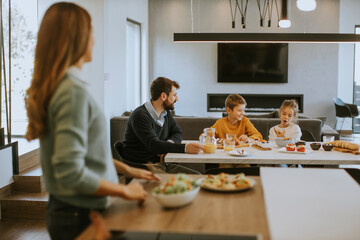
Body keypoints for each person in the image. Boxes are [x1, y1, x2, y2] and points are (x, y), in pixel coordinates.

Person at [24, 3, 158, 239]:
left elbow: (85, 158)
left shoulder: (61, 87)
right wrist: (124, 191)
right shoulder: (71, 92)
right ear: (76, 38)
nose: (94, 39)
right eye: (91, 31)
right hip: (82, 214)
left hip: (74, 210)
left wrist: (127, 170)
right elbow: (71, 173)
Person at [121, 77, 203, 173]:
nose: (177, 99)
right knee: (189, 183)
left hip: (162, 164)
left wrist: (168, 145)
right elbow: (154, 145)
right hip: (144, 167)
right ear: (163, 96)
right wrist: (185, 148)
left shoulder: (165, 113)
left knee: (197, 177)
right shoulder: (140, 116)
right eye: (174, 95)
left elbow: (177, 132)